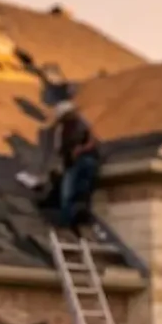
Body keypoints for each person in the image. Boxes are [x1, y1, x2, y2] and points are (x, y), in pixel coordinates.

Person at [43, 95, 100, 227]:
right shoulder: (64, 130)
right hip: (74, 163)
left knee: (72, 193)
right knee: (74, 192)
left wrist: (79, 150)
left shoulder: (80, 125)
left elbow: (91, 141)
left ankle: (69, 220)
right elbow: (60, 150)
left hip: (84, 161)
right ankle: (73, 219)